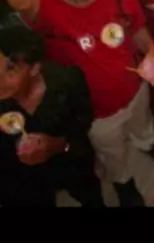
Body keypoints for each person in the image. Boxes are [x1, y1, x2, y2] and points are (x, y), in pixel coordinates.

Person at [0, 0, 154, 206]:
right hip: (97, 114)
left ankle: (148, 143)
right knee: (112, 152)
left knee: (142, 123)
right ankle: (123, 181)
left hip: (136, 89)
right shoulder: (45, 9)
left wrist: (153, 52)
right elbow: (22, 0)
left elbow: (137, 29)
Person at [0, 24, 105, 207]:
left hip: (72, 164)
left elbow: (82, 125)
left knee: (89, 196)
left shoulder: (67, 81)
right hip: (26, 181)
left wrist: (57, 145)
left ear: (34, 68)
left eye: (11, 69)